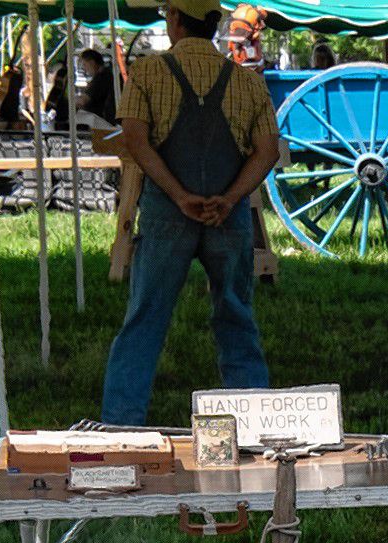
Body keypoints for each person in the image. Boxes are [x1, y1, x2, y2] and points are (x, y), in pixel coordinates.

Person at [100, 0, 280, 426]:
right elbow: (267, 151)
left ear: (176, 20)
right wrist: (232, 197)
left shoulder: (147, 72)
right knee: (236, 317)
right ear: (215, 24)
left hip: (167, 217)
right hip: (227, 218)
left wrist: (180, 196)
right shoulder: (248, 82)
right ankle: (257, 423)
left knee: (145, 318)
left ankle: (120, 425)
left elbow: (136, 142)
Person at [77, 50, 118, 126]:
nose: (84, 68)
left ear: (92, 63)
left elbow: (83, 101)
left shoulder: (102, 77)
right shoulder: (106, 75)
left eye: (85, 64)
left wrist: (71, 101)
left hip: (101, 122)